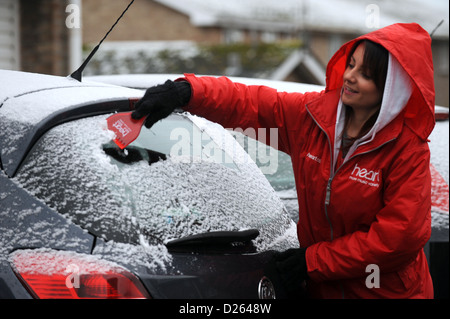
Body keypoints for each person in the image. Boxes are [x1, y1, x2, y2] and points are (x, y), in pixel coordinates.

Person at [131, 23, 435, 299]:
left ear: (390, 90)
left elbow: (398, 239)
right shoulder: (313, 118)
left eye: (365, 75)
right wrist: (189, 92)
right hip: (323, 290)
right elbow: (252, 105)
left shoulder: (407, 150)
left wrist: (313, 261)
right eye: (351, 64)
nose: (350, 76)